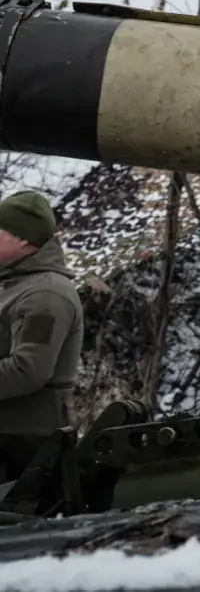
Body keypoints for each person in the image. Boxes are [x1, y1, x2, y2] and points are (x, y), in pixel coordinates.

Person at [0, 191, 82, 478]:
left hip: (23, 446)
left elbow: (28, 370)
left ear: (22, 239)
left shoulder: (45, 294)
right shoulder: (17, 285)